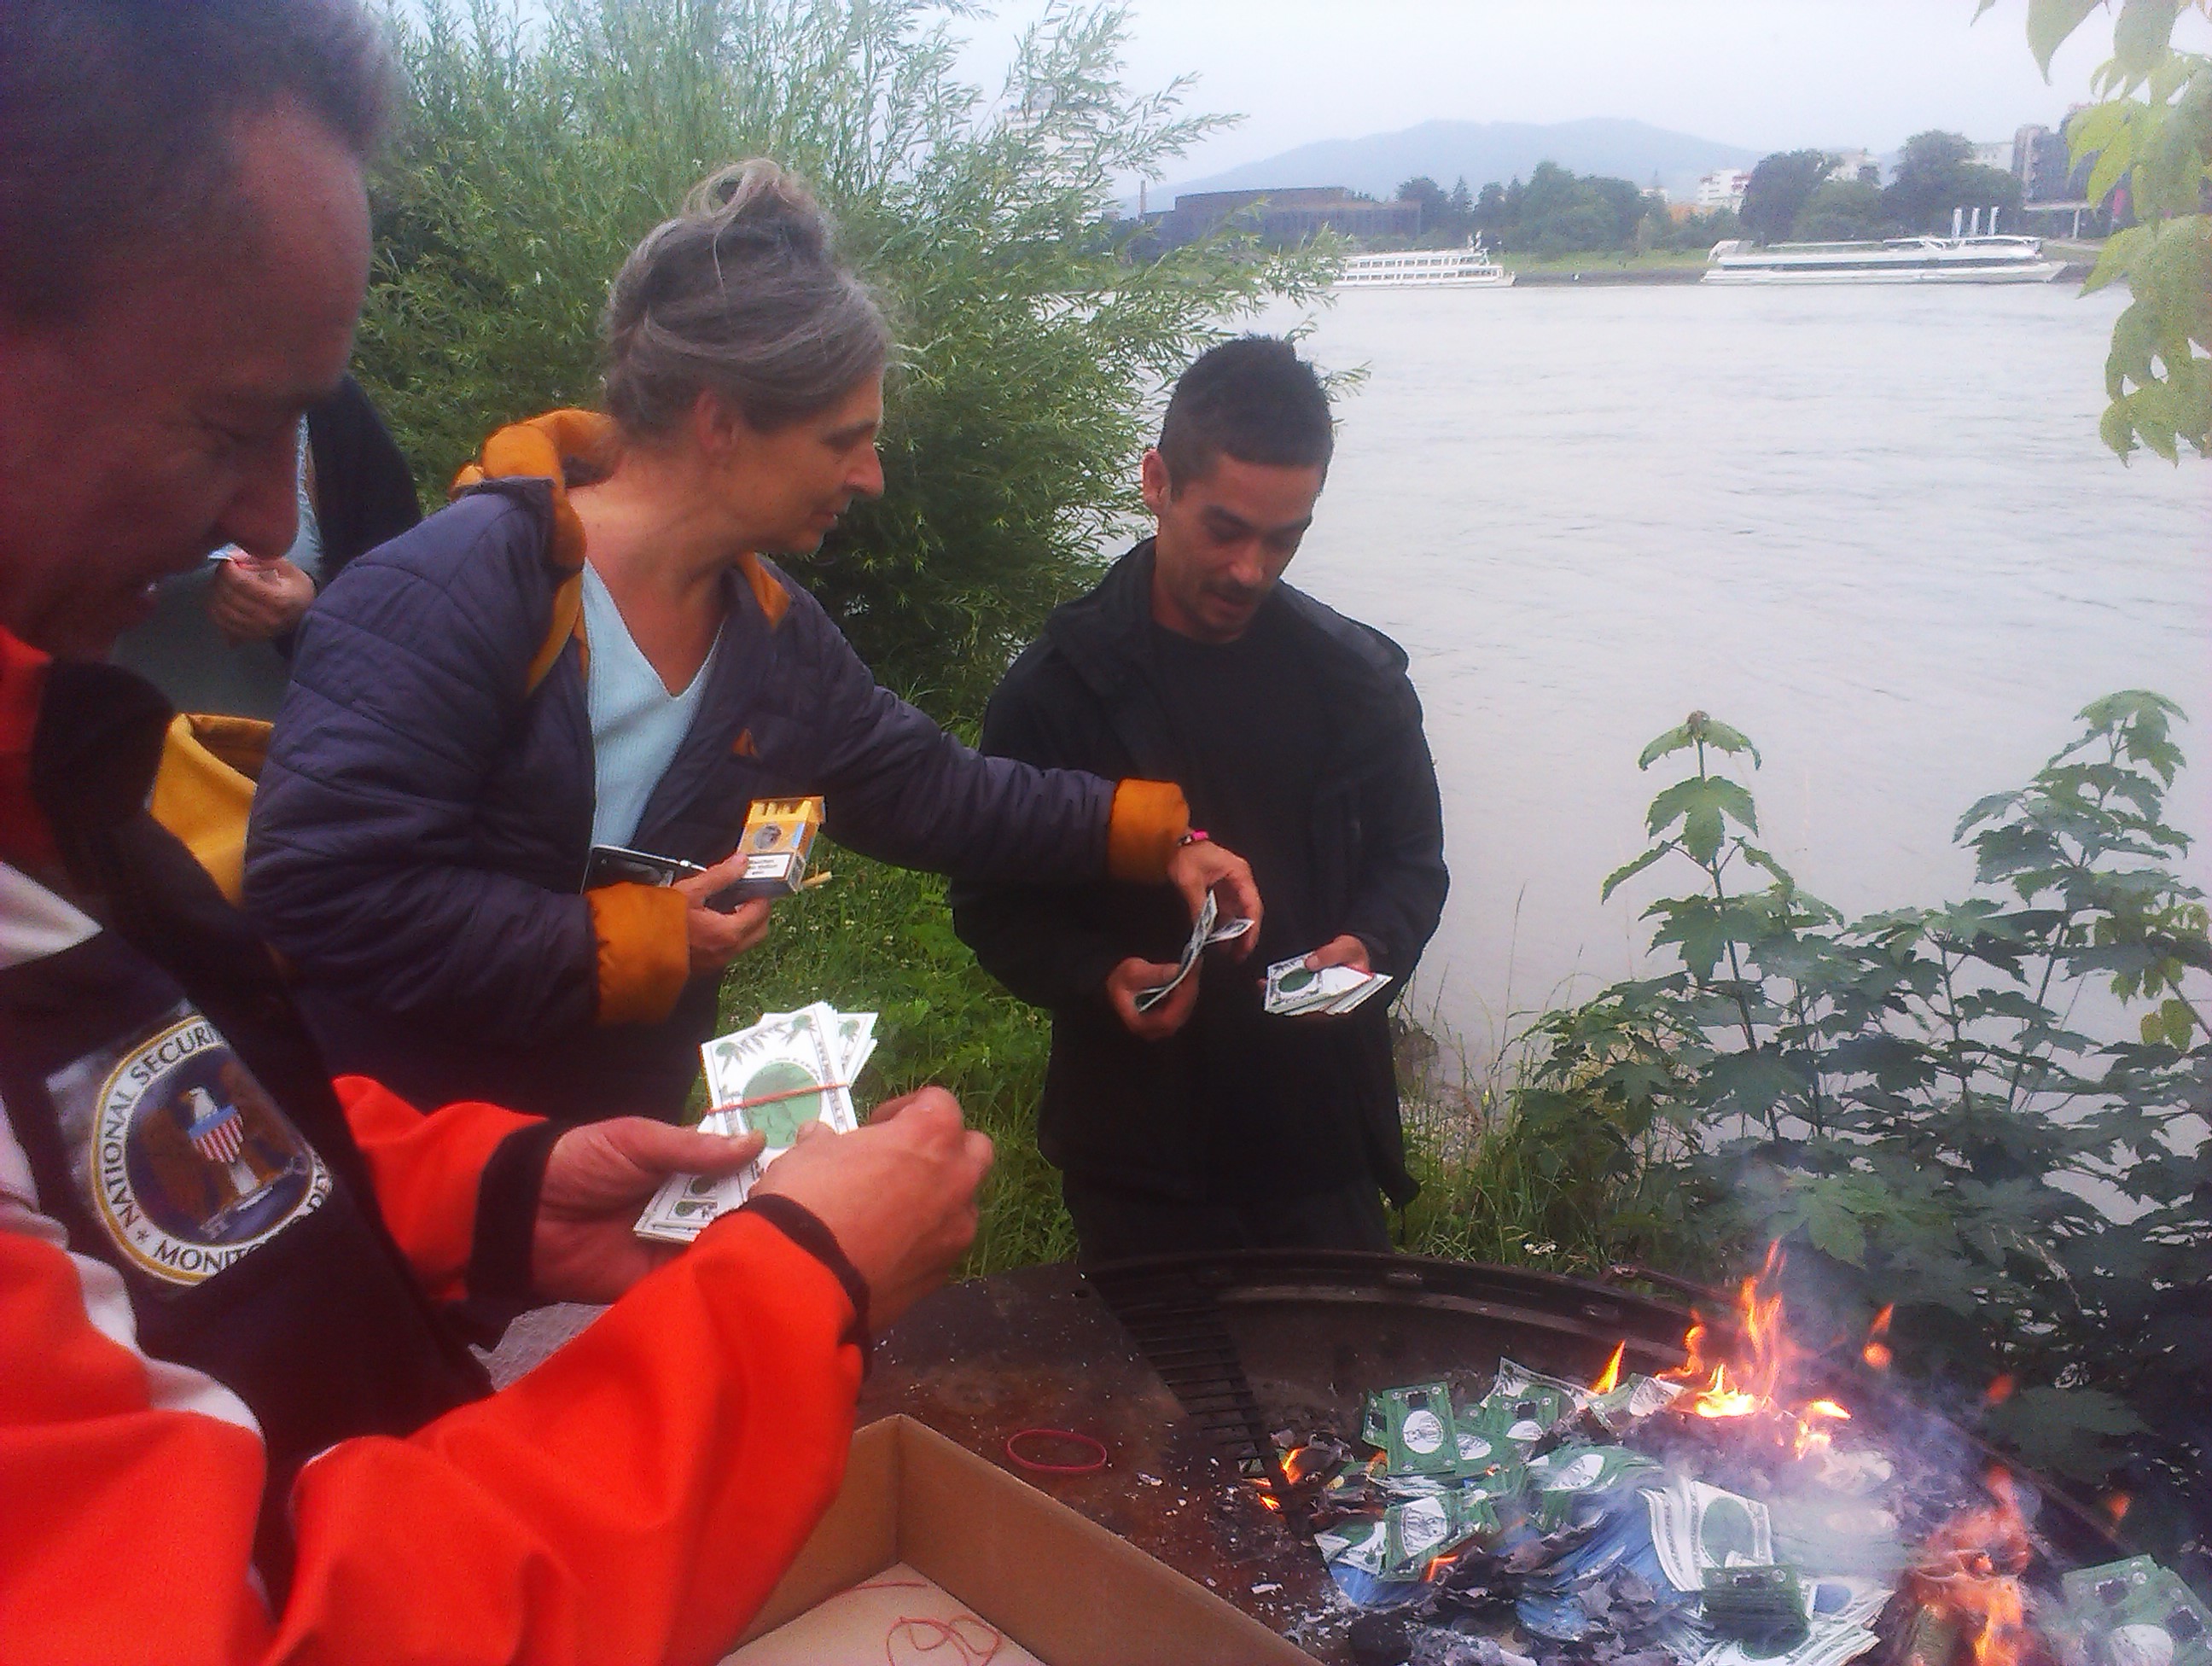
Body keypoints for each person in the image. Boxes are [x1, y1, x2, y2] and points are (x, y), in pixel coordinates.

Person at [0, 3, 992, 1660]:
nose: (263, 524)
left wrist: (493, 1190)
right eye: (228, 426)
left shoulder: (54, 785)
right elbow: (269, 1626)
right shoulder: (464, 583)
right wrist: (796, 1279)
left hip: (473, 1289)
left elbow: (141, 1144)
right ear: (727, 423)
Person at [242, 161, 1260, 1126]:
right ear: (720, 421)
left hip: (601, 1158)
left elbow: (942, 792)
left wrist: (1164, 836)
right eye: (840, 439)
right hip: (385, 1160)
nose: (870, 477)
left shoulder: (775, 639)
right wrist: (633, 940)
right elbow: (318, 891)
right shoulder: (452, 586)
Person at [951, 338, 1449, 1260]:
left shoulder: (1358, 681)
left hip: (1322, 1147)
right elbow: (994, 907)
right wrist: (1098, 975)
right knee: (1156, 1406)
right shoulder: (1055, 693)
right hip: (1140, 1162)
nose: (1250, 569)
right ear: (1156, 481)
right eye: (1225, 528)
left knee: (1339, 1403)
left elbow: (1412, 864)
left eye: (1284, 536)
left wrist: (1371, 944)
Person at [110, 373, 421, 719]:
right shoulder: (103, 386)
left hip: (267, 762)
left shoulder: (332, 411)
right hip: (96, 752)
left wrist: (311, 614)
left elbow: (408, 625)